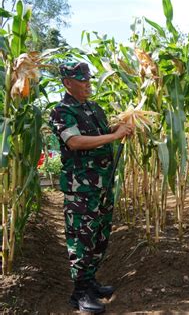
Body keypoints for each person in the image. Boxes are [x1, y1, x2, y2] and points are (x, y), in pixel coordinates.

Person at [49, 62, 134, 313]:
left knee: (99, 238)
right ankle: (80, 293)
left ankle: (91, 281)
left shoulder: (94, 108)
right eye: (81, 80)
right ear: (67, 83)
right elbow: (74, 141)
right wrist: (113, 137)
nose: (88, 84)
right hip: (82, 189)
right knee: (82, 240)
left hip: (103, 186)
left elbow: (100, 132)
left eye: (88, 79)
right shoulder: (62, 111)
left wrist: (118, 128)